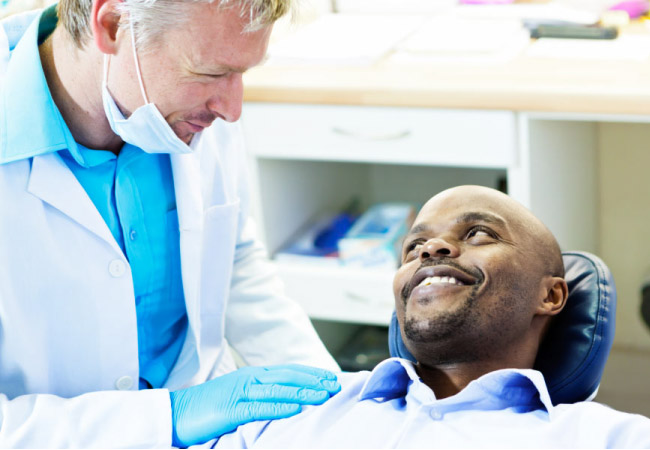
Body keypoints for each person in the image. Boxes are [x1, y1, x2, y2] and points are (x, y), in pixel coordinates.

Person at [0, 0, 342, 447]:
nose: (232, 108)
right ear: (113, 24)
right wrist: (167, 419)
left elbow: (233, 259)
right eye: (211, 72)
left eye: (242, 72)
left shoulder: (184, 111)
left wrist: (332, 401)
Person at [214, 185, 650, 448]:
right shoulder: (297, 412)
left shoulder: (607, 439)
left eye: (478, 233)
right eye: (413, 246)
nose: (430, 250)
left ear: (551, 295)